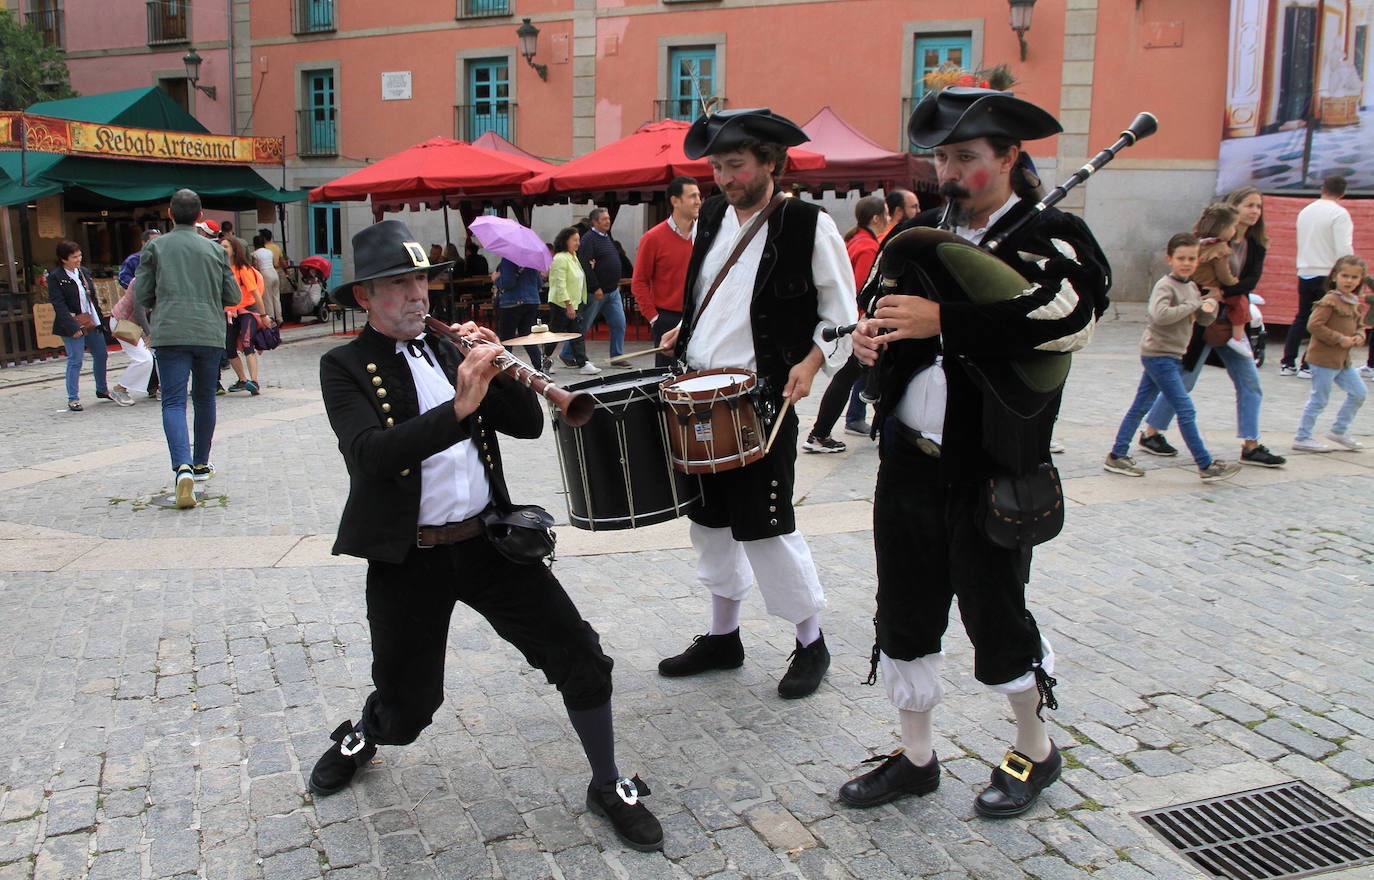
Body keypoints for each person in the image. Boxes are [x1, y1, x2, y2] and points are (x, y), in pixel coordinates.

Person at [309, 220, 664, 853]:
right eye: (399, 284)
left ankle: (609, 784)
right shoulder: (344, 365)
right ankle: (366, 730)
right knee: (411, 707)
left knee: (581, 657)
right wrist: (460, 406)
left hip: (488, 543)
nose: (419, 295)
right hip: (408, 556)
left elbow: (527, 423)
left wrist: (501, 366)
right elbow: (371, 456)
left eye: (422, 279)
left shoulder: (448, 349)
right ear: (364, 296)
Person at [842, 87, 1111, 817]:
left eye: (967, 157)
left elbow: (1072, 317)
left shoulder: (1050, 235)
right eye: (942, 157)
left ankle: (1036, 749)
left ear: (1009, 158)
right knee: (903, 609)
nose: (950, 171)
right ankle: (917, 758)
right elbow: (876, 304)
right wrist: (866, 338)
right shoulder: (925, 230)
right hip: (906, 459)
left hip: (991, 463)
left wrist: (946, 320)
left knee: (996, 616)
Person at [655, 108, 855, 699]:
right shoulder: (713, 215)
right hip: (696, 391)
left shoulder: (807, 225)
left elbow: (842, 315)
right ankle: (724, 636)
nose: (723, 178)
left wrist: (812, 363)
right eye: (716, 167)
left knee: (766, 524)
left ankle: (810, 641)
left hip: (762, 398)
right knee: (710, 523)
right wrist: (684, 331)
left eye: (735, 165)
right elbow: (710, 293)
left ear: (771, 162)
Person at [1139, 187, 1287, 468]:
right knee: (1185, 378)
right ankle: (1151, 432)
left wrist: (1221, 293)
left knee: (1249, 380)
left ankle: (1251, 444)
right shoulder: (1205, 243)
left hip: (1230, 317)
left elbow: (1250, 282)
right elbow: (1188, 274)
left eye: (1259, 206)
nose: (1255, 211)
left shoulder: (1256, 245)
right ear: (1233, 209)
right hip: (1200, 316)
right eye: (1249, 205)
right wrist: (1206, 295)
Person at [132, 188, 241, 508]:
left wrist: (162, 303)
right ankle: (201, 462)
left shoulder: (156, 247)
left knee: (174, 402)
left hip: (169, 332)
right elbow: (232, 296)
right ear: (199, 215)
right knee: (205, 398)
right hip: (207, 332)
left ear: (169, 214)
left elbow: (142, 294)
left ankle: (181, 467)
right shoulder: (215, 251)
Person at [1104, 233, 1240, 482]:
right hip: (1159, 355)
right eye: (1181, 258)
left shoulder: (1190, 286)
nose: (1187, 263)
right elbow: (1160, 314)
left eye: (1191, 258)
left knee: (1140, 406)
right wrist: (1193, 305)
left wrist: (1210, 308)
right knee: (1185, 408)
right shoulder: (1165, 286)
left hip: (1171, 355)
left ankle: (1117, 455)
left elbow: (1201, 319)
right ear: (1170, 259)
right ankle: (1205, 464)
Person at [804, 194, 889, 452]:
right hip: (857, 324)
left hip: (851, 323)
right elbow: (862, 290)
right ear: (876, 217)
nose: (886, 217)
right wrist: (863, 325)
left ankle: (828, 431)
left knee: (853, 377)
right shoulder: (867, 247)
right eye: (884, 213)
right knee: (853, 377)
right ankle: (821, 434)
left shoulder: (857, 239)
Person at [1291, 254, 1367, 451]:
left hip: (1343, 361)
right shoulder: (1330, 300)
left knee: (1359, 393)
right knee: (1319, 399)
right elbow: (1313, 325)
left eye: (1354, 277)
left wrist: (1359, 336)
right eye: (1345, 276)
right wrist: (1340, 339)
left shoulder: (1352, 300)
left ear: (1360, 280)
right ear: (1334, 276)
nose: (1349, 281)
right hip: (1323, 359)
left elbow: (1359, 325)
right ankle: (1302, 437)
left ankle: (1339, 431)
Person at [1283, 176, 1355, 377]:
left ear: (1322, 188)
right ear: (1343, 193)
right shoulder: (1339, 214)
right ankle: (1308, 365)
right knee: (1323, 321)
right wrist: (1349, 273)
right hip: (1327, 273)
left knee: (1302, 317)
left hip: (1305, 270)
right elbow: (1344, 248)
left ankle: (1287, 363)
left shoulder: (1306, 211)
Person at [632, 175, 701, 367]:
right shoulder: (652, 238)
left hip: (700, 317)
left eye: (698, 196)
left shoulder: (705, 235)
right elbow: (639, 282)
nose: (698, 201)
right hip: (668, 318)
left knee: (699, 376)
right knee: (668, 378)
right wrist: (655, 319)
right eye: (692, 196)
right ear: (675, 201)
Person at [47, 240, 116, 411]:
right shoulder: (56, 277)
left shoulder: (83, 272)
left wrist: (100, 320)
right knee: (75, 359)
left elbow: (91, 298)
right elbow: (59, 305)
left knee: (101, 354)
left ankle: (102, 388)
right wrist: (72, 327)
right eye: (74, 257)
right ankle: (73, 397)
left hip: (90, 320)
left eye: (79, 255)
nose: (78, 259)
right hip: (72, 322)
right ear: (64, 259)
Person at [109, 228, 162, 404]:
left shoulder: (154, 278)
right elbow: (139, 311)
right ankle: (119, 389)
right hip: (123, 322)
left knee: (155, 354)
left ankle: (162, 388)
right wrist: (148, 333)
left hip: (134, 322)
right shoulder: (141, 281)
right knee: (143, 359)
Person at [1189, 204, 1249, 357]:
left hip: (1199, 288)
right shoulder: (1220, 248)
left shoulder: (1201, 243)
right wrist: (1234, 283)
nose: (1235, 231)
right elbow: (1223, 274)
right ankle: (1238, 337)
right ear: (1224, 227)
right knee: (1241, 302)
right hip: (1213, 290)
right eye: (1233, 226)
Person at [576, 207, 626, 362]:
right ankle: (568, 354)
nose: (608, 222)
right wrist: (595, 286)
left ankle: (616, 356)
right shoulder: (588, 239)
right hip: (596, 292)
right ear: (595, 222)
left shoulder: (606, 236)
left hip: (612, 291)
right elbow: (585, 265)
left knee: (619, 323)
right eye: (604, 219)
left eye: (608, 218)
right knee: (584, 325)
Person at [545, 226, 596, 374]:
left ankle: (583, 363)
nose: (578, 243)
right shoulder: (560, 258)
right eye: (575, 240)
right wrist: (568, 305)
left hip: (574, 302)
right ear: (565, 241)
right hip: (561, 303)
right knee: (556, 333)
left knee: (576, 333)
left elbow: (578, 278)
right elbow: (560, 284)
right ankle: (543, 360)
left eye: (578, 240)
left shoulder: (573, 257)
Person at [221, 236, 264, 396]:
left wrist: (264, 314)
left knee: (247, 344)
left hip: (247, 311)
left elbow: (255, 294)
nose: (222, 249)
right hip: (230, 313)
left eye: (225, 247)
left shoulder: (243, 270)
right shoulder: (223, 269)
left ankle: (254, 381)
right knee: (229, 348)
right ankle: (243, 379)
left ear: (234, 249)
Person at [492, 257, 542, 367]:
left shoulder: (508, 259)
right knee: (527, 335)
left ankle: (505, 368)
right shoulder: (531, 259)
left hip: (512, 302)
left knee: (506, 339)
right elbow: (539, 283)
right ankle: (539, 366)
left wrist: (496, 279)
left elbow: (508, 283)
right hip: (532, 300)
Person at [252, 234, 282, 327]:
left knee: (267, 298)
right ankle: (279, 318)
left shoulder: (254, 254)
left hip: (265, 274)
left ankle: (271, 318)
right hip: (274, 272)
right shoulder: (269, 251)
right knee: (276, 296)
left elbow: (256, 266)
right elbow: (275, 263)